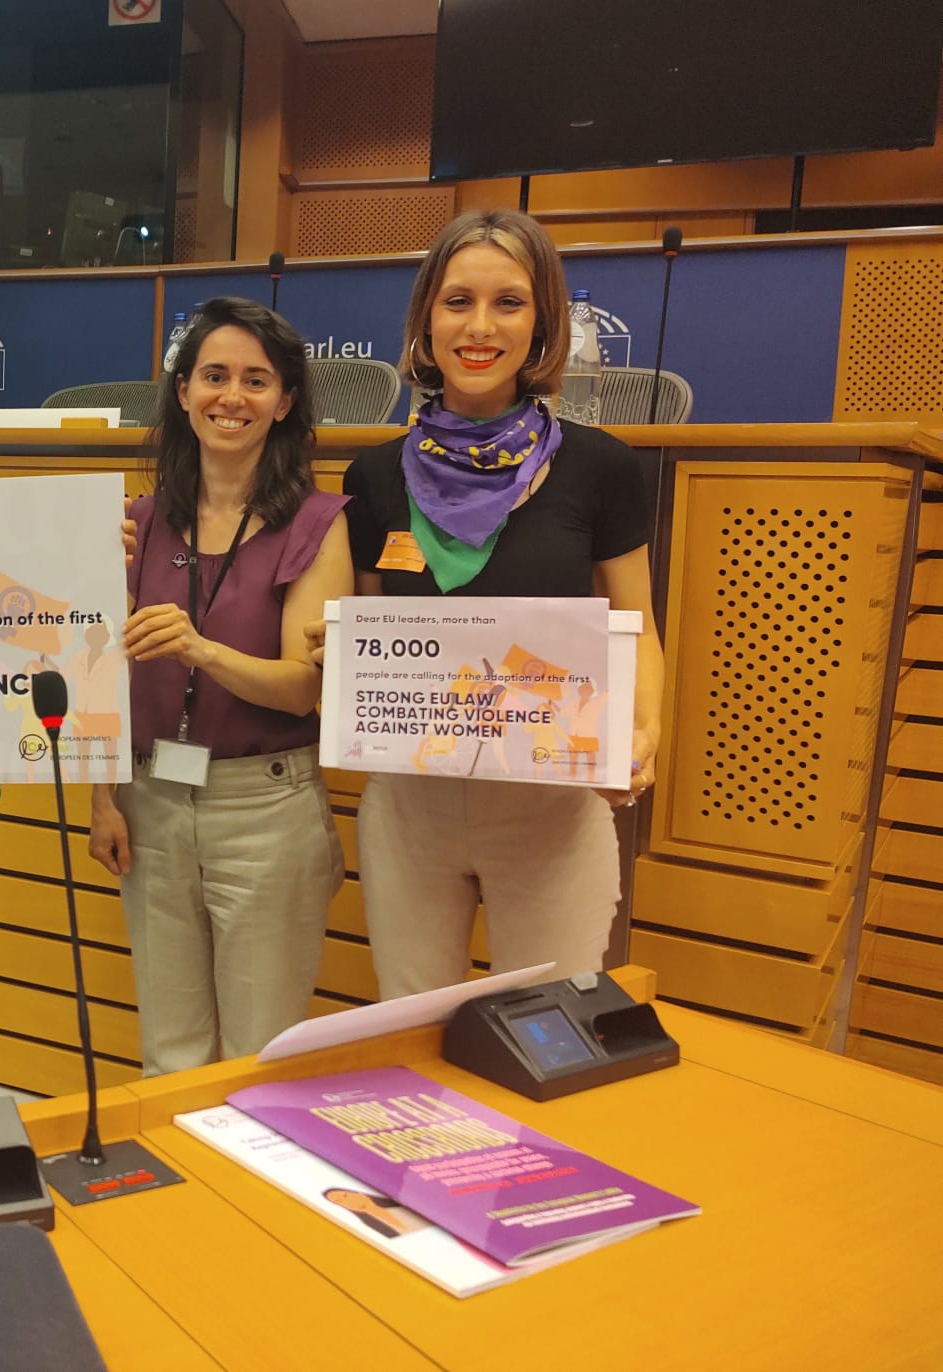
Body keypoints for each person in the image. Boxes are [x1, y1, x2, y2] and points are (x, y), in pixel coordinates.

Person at [339, 209, 663, 1000]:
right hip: (409, 807)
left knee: (547, 1042)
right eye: (456, 301)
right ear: (425, 320)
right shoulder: (373, 477)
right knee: (410, 1038)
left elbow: (637, 629)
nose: (479, 326)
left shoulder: (602, 468)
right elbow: (365, 628)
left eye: (508, 302)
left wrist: (644, 734)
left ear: (542, 321)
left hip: (548, 807)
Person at [87, 297, 354, 1076]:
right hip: (148, 804)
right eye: (212, 376)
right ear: (180, 392)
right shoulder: (135, 523)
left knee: (256, 1057)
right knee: (168, 1053)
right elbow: (97, 673)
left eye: (254, 380)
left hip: (264, 810)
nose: (230, 397)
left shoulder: (316, 521)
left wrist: (200, 648)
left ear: (285, 402)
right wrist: (102, 798)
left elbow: (302, 691)